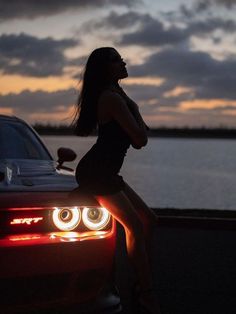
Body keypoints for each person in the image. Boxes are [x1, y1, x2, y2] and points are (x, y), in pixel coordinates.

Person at [73, 47, 161, 314]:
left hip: (106, 171)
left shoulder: (118, 94)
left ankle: (137, 282)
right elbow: (140, 140)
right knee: (134, 225)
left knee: (149, 219)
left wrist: (134, 110)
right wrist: (137, 113)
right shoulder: (111, 98)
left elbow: (138, 137)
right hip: (97, 173)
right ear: (105, 68)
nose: (123, 61)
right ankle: (145, 293)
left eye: (121, 57)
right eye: (115, 59)